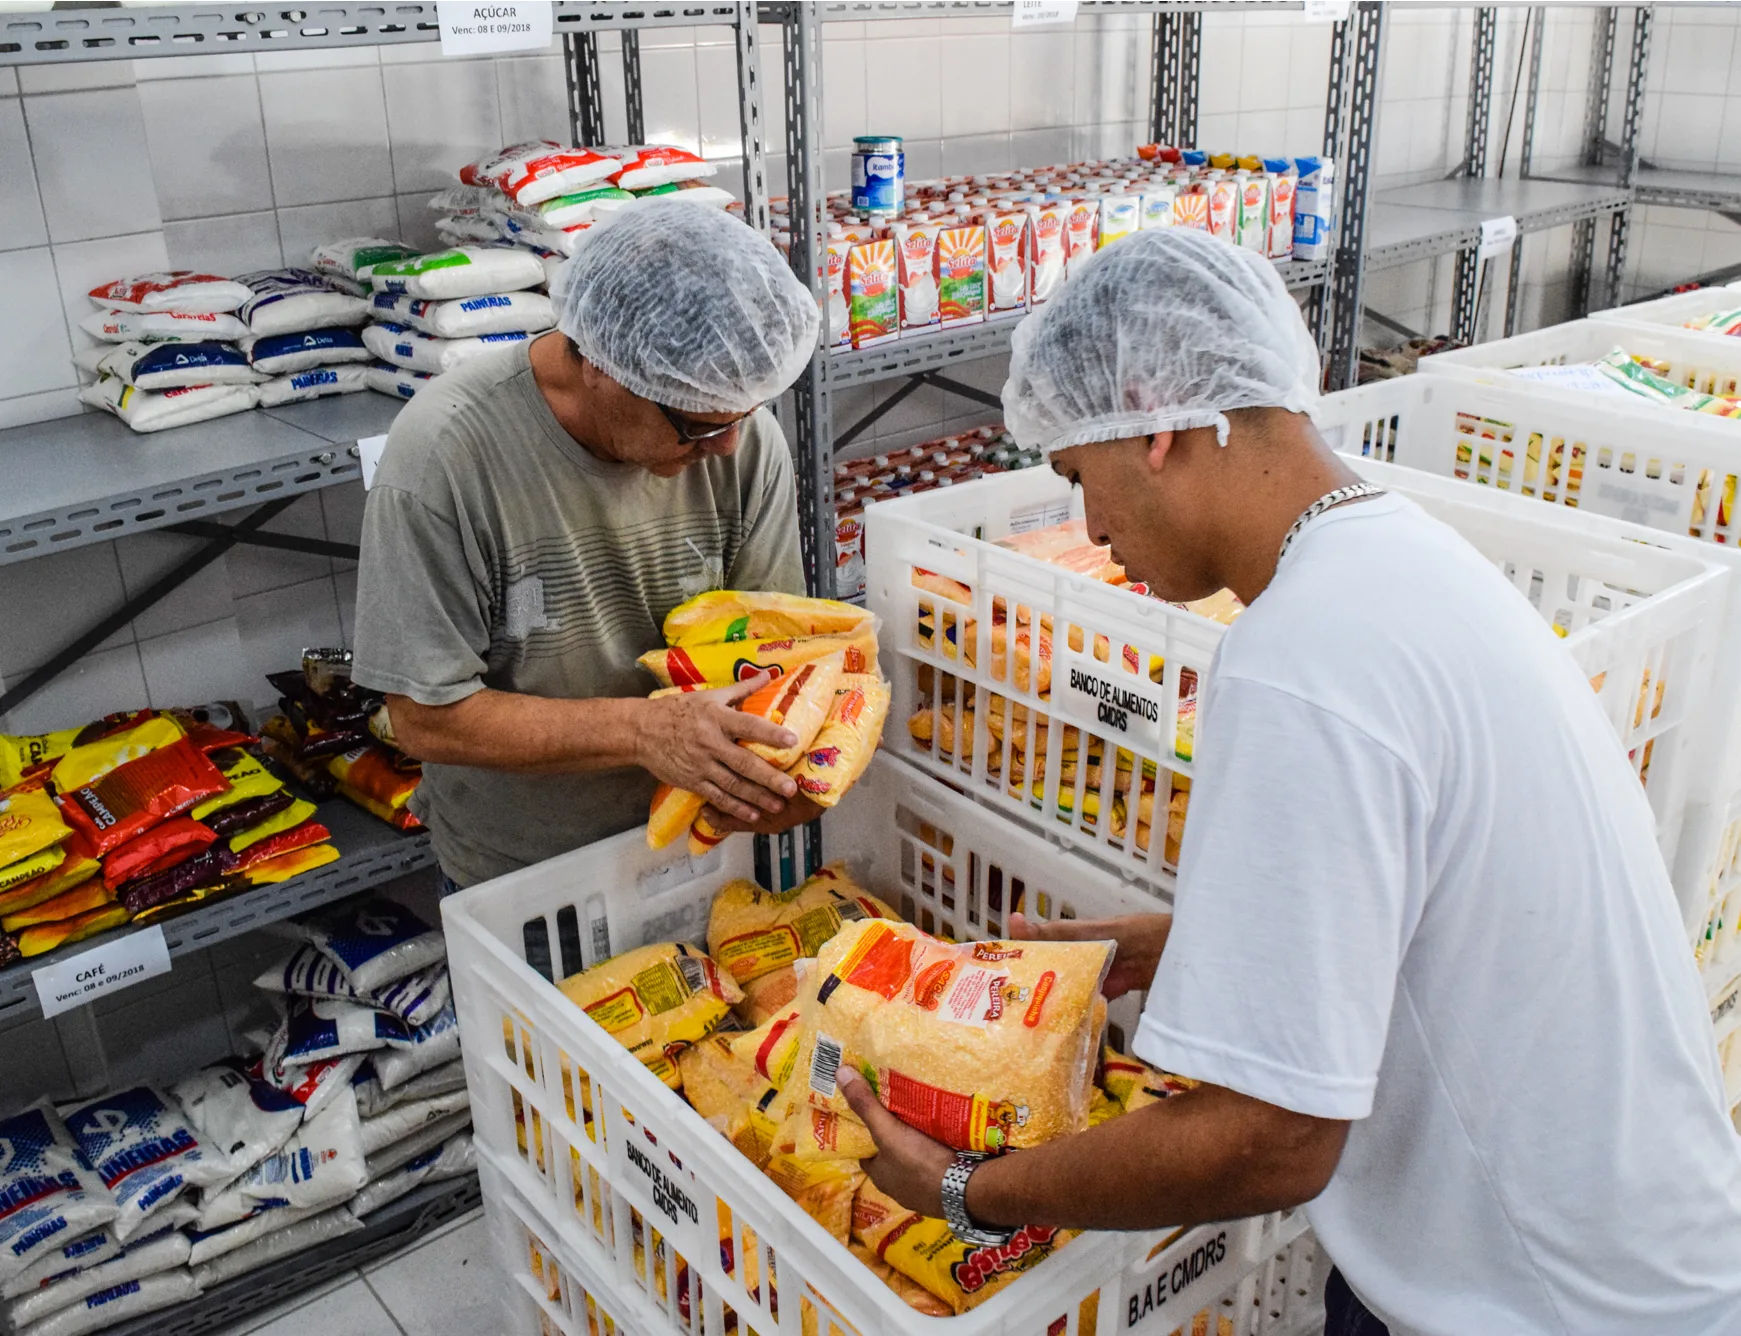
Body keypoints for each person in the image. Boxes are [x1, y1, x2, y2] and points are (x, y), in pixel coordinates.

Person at [837, 226, 1741, 1335]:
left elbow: (1271, 1140)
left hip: (1544, 1302)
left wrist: (965, 1193)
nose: (1092, 528)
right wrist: (1177, 946)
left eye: (1079, 477)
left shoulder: (1303, 659)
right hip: (1629, 1254)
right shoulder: (1400, 560)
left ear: (1155, 423)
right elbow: (1433, 913)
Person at [351, 201, 823, 891]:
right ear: (599, 366)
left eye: (742, 416)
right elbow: (427, 719)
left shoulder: (740, 441)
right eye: (696, 424)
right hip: (530, 874)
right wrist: (645, 733)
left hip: (700, 850)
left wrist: (789, 766)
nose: (726, 445)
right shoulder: (447, 455)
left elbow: (777, 647)